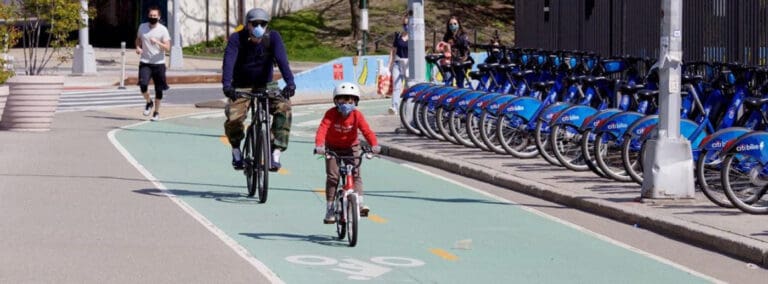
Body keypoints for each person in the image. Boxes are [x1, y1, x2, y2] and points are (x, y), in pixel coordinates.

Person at [222, 8, 297, 171]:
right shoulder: (237, 39)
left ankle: (276, 150)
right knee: (233, 117)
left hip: (266, 84)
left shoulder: (273, 38)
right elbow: (228, 61)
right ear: (247, 25)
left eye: (262, 24)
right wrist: (227, 85)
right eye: (254, 23)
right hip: (242, 85)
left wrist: (290, 83)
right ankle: (236, 149)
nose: (259, 27)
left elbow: (283, 61)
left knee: (284, 108)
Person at [314, 82, 381, 224]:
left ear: (355, 102)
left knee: (356, 173)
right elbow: (322, 129)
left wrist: (374, 145)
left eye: (350, 100)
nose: (346, 103)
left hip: (352, 147)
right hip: (332, 148)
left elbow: (366, 131)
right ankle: (330, 208)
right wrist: (319, 145)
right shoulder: (331, 113)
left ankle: (360, 203)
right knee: (333, 177)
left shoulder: (357, 115)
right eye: (342, 100)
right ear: (336, 101)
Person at [135, 5, 171, 121]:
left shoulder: (163, 30)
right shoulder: (142, 27)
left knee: (158, 89)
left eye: (155, 16)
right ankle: (149, 102)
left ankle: (156, 112)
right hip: (145, 62)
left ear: (159, 17)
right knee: (143, 85)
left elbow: (168, 48)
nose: (152, 17)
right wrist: (138, 47)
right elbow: (138, 39)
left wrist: (157, 42)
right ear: (148, 16)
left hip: (159, 63)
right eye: (151, 15)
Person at [387, 12, 409, 115]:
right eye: (404, 24)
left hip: (408, 64)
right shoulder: (398, 35)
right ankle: (394, 107)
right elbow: (393, 50)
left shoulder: (415, 38)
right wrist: (389, 64)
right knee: (396, 86)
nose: (406, 27)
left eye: (408, 24)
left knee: (408, 86)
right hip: (397, 62)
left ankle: (407, 107)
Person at [442, 16, 473, 88]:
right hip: (449, 62)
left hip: (460, 63)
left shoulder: (463, 36)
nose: (453, 26)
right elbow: (443, 47)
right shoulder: (447, 36)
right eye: (451, 24)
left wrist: (462, 59)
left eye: (455, 23)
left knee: (459, 83)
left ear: (458, 24)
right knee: (448, 81)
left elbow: (467, 50)